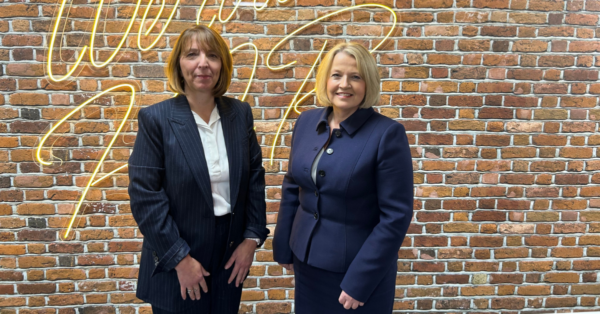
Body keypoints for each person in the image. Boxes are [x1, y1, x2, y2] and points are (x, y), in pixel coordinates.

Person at [128, 25, 269, 314]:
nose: (203, 63)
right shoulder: (157, 119)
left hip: (229, 253)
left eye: (212, 56)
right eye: (192, 54)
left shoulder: (239, 114)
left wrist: (251, 241)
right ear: (179, 65)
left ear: (222, 65)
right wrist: (179, 258)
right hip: (177, 250)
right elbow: (145, 197)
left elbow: (254, 178)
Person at [272, 42, 414, 313]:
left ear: (368, 83)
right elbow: (293, 186)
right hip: (307, 264)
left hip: (355, 274)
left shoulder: (387, 134)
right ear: (326, 79)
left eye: (355, 76)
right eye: (336, 75)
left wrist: (360, 281)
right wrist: (284, 245)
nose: (344, 84)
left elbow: (396, 216)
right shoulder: (306, 122)